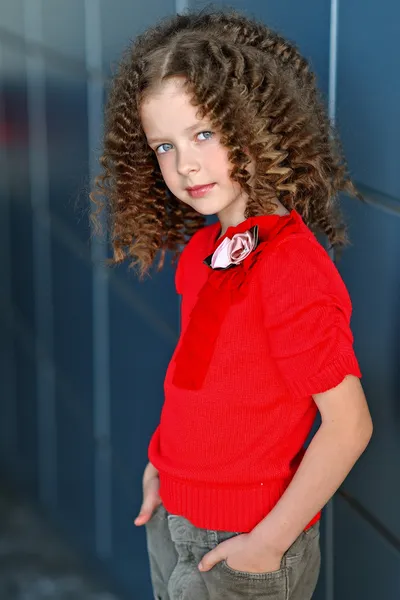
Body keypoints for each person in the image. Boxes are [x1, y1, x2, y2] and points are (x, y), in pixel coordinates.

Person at [92, 9, 373, 600]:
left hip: (245, 538)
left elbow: (349, 426)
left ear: (258, 123)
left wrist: (268, 543)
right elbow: (206, 384)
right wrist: (162, 466)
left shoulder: (290, 266)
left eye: (204, 134)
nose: (185, 165)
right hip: (174, 516)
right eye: (163, 146)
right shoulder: (204, 252)